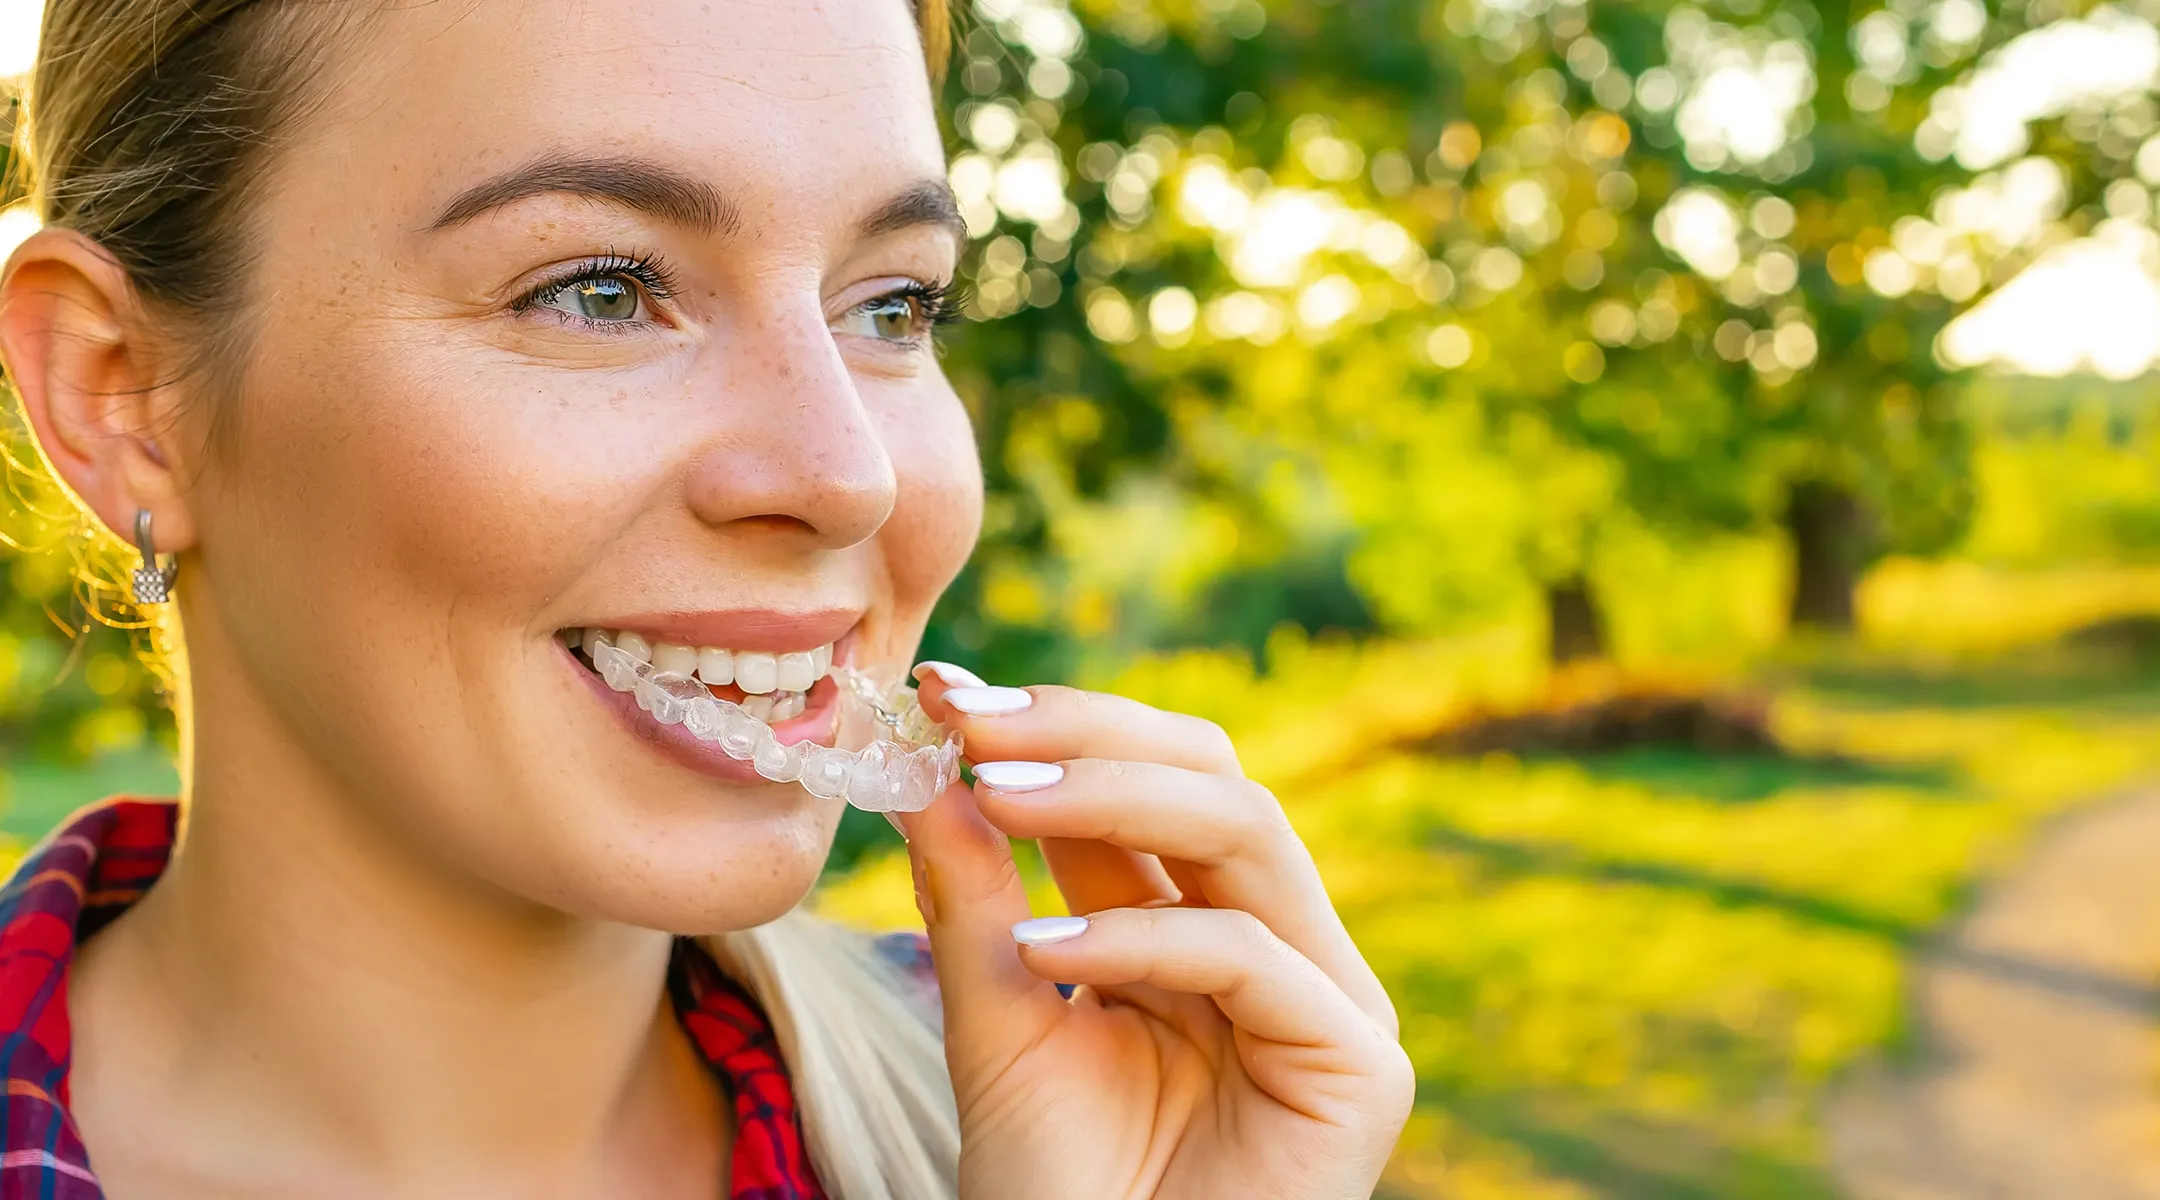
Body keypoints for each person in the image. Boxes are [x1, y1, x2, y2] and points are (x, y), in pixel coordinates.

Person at [0, 1, 1414, 1196]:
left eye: (893, 305)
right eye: (603, 291)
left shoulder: (1084, 1118)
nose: (846, 476)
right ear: (118, 395)